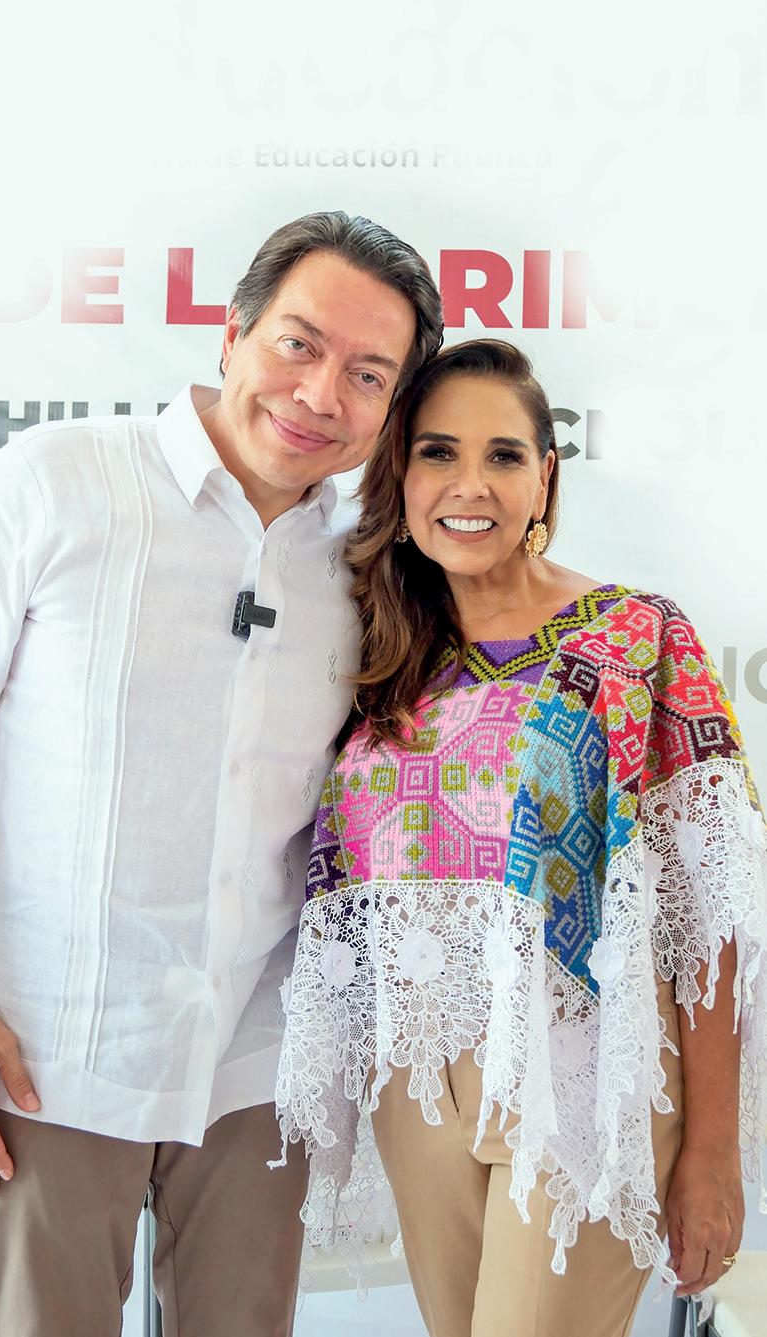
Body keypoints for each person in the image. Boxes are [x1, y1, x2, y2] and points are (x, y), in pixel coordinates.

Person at [0, 210, 445, 1335]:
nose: (319, 393)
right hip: (51, 1051)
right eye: (298, 343)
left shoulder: (371, 564)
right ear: (231, 333)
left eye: (368, 375)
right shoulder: (59, 481)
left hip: (257, 1065)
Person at [273, 338, 767, 1337]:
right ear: (400, 476)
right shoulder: (374, 652)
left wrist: (713, 1148)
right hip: (418, 1080)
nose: (470, 484)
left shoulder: (638, 638)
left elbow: (707, 915)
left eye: (502, 455)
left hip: (586, 1071)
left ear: (544, 476)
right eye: (437, 452)